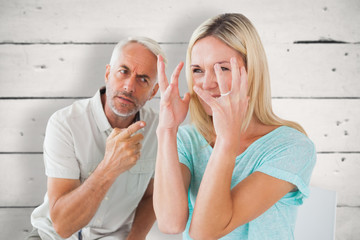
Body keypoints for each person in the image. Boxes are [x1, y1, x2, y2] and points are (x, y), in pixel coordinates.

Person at [153, 13, 316, 239]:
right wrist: (167, 130)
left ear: (251, 72)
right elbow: (170, 223)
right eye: (198, 70)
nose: (207, 83)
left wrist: (226, 139)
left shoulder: (292, 147)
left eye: (223, 69)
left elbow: (205, 232)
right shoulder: (187, 140)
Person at [28, 36, 166, 240]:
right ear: (108, 73)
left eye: (143, 79)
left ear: (153, 91)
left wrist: (135, 237)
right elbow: (62, 226)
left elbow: (152, 195)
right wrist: (109, 167)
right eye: (123, 71)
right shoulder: (65, 123)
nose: (129, 86)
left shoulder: (160, 129)